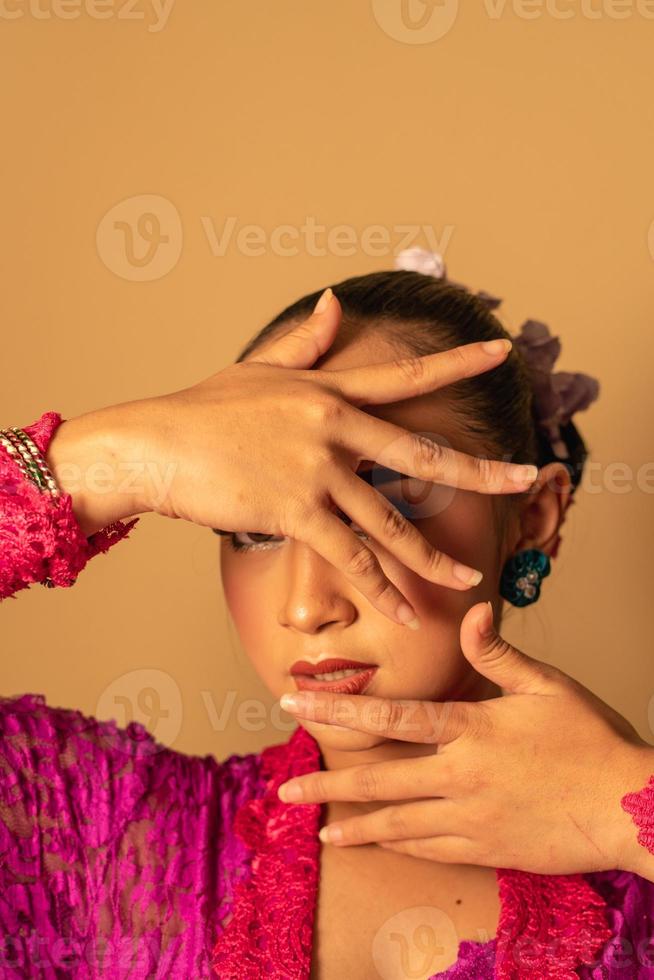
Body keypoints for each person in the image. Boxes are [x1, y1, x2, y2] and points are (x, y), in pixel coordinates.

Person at [1, 252, 653, 979]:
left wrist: (626, 805)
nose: (308, 605)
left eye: (390, 504)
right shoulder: (103, 843)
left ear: (531, 517)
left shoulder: (633, 885)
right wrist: (111, 459)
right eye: (254, 526)